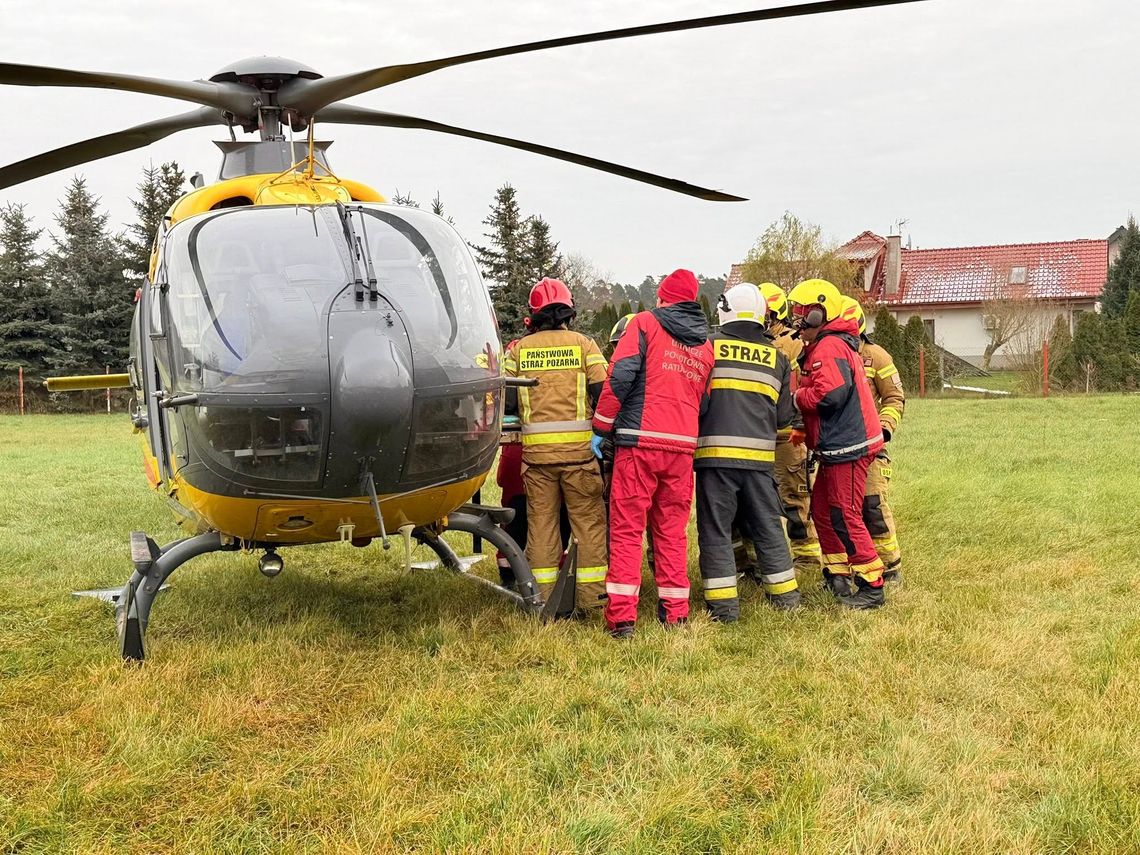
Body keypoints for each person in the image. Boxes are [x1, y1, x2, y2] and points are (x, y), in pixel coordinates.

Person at [592, 269, 714, 638]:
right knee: (672, 532)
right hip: (681, 449)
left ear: (663, 298)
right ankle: (675, 612)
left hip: (639, 444)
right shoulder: (706, 345)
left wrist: (600, 426)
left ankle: (622, 619)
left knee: (628, 530)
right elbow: (703, 402)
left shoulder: (644, 324)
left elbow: (619, 378)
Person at [503, 279, 610, 611]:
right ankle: (593, 603)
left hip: (537, 461)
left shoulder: (518, 350)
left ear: (532, 316)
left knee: (542, 530)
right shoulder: (584, 345)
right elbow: (605, 393)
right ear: (568, 312)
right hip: (580, 457)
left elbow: (505, 400)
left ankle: (544, 603)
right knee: (589, 528)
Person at [695, 283, 798, 620]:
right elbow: (784, 417)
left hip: (714, 460)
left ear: (723, 312)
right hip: (760, 462)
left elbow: (697, 402)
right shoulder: (778, 359)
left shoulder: (708, 349)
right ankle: (786, 600)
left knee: (717, 531)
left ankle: (725, 609)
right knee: (768, 527)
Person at [787, 279, 886, 609]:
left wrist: (797, 397)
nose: (797, 323)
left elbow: (831, 394)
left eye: (801, 315)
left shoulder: (829, 347)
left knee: (845, 513)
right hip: (836, 446)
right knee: (822, 511)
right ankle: (837, 574)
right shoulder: (827, 345)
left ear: (817, 315)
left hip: (849, 446)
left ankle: (872, 584)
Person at [758, 282, 823, 579]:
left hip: (787, 436)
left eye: (767, 315)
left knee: (794, 498)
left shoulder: (793, 343)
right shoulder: (755, 342)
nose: (763, 320)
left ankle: (807, 558)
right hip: (758, 434)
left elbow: (805, 386)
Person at [842, 297, 906, 582]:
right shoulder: (828, 354)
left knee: (873, 506)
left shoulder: (876, 356)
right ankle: (851, 566)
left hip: (871, 448)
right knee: (842, 511)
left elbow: (894, 396)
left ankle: (890, 567)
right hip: (839, 448)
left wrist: (884, 428)